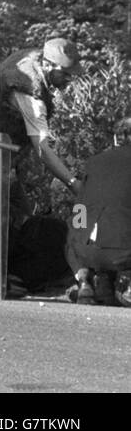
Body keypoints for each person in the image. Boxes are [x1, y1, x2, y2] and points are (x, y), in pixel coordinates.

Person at [0, 37, 85, 213]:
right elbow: (42, 149)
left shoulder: (31, 57)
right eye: (66, 73)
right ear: (48, 65)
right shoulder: (29, 94)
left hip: (0, 154)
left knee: (21, 218)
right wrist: (74, 184)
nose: (70, 79)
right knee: (18, 224)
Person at [66, 116, 131, 306]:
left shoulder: (94, 162)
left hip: (88, 251)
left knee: (76, 226)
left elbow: (80, 207)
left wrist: (77, 238)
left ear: (116, 139)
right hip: (125, 252)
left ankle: (85, 279)